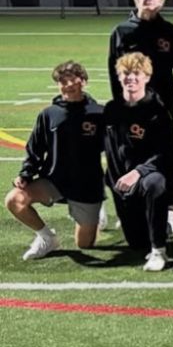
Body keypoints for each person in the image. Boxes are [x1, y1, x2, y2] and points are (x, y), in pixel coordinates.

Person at [6, 61, 105, 260]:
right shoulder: (49, 114)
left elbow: (114, 148)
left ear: (84, 81)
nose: (68, 84)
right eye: (62, 80)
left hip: (86, 187)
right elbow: (35, 149)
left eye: (73, 79)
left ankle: (95, 208)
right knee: (14, 200)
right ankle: (46, 237)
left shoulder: (99, 113)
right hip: (54, 181)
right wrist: (25, 174)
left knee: (85, 244)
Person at [103, 53, 173, 271]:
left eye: (136, 73)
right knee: (136, 243)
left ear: (147, 77)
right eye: (126, 73)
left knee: (155, 184)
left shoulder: (157, 110)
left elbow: (164, 153)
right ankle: (163, 224)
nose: (131, 78)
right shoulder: (111, 109)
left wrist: (137, 172)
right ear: (118, 77)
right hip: (121, 184)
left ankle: (159, 251)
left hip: (146, 177)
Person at [108, 0, 173, 115]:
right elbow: (113, 67)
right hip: (133, 94)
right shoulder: (122, 31)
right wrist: (119, 97)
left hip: (164, 94)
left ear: (161, 2)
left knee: (164, 134)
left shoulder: (168, 29)